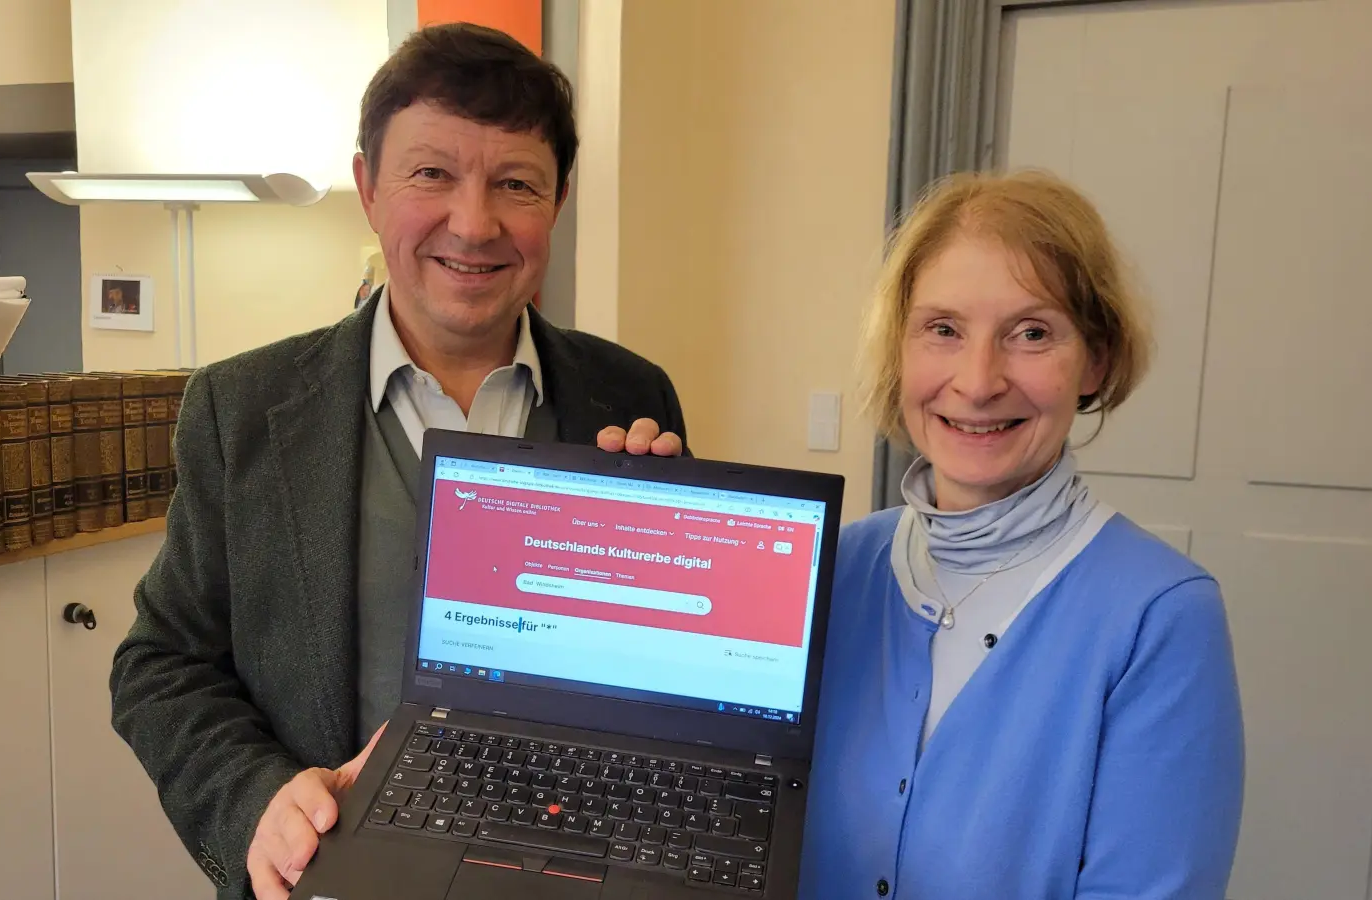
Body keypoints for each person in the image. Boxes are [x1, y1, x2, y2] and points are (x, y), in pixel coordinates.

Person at [108, 23, 686, 900]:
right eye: (432, 174)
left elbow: (668, 685)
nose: (474, 221)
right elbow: (162, 665)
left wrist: (670, 564)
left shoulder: (632, 396)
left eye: (515, 184)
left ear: (557, 204)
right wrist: (259, 802)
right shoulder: (243, 409)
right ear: (368, 188)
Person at [797, 170, 1245, 899]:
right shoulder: (837, 569)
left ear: (1095, 361)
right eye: (943, 330)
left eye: (1031, 333)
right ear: (899, 350)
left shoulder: (1159, 616)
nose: (978, 382)